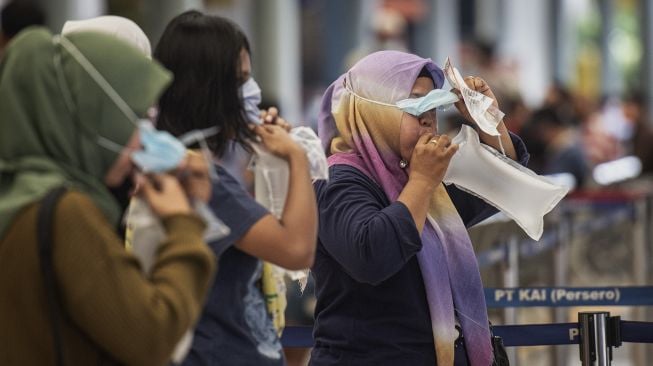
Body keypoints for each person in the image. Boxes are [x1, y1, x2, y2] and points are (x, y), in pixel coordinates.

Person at [0, 27, 216, 365]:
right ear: (89, 120)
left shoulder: (17, 198)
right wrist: (183, 224)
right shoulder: (65, 213)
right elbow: (151, 337)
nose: (142, 139)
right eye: (131, 120)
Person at [312, 50, 529, 366]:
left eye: (432, 106)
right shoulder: (339, 179)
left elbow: (501, 184)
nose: (428, 118)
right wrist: (422, 183)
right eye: (414, 105)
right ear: (374, 111)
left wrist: (487, 120)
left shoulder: (411, 172)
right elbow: (372, 255)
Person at [153, 10, 318, 365]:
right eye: (241, 80)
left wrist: (272, 160)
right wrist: (297, 159)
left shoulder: (184, 164)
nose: (252, 92)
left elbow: (262, 227)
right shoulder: (199, 178)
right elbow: (296, 249)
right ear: (206, 89)